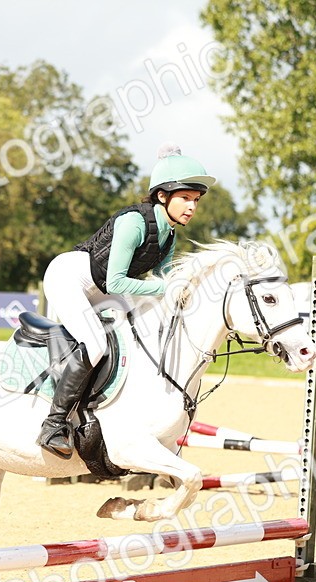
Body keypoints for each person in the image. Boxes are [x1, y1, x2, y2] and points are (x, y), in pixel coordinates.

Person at [37, 145, 216, 458]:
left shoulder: (169, 235)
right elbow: (120, 281)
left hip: (103, 286)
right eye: (185, 198)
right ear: (163, 196)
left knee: (140, 330)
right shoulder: (134, 223)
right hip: (71, 279)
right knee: (95, 345)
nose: (192, 207)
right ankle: (54, 424)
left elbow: (160, 283)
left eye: (196, 200)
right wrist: (165, 290)